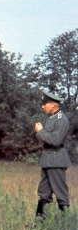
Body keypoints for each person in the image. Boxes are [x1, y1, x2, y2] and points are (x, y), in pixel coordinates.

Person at [34, 89, 71, 220]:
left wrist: (40, 132)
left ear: (53, 105)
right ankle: (40, 225)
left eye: (45, 103)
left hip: (56, 160)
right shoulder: (52, 118)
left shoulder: (61, 120)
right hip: (48, 160)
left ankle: (65, 229)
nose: (42, 106)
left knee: (61, 194)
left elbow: (56, 140)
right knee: (44, 193)